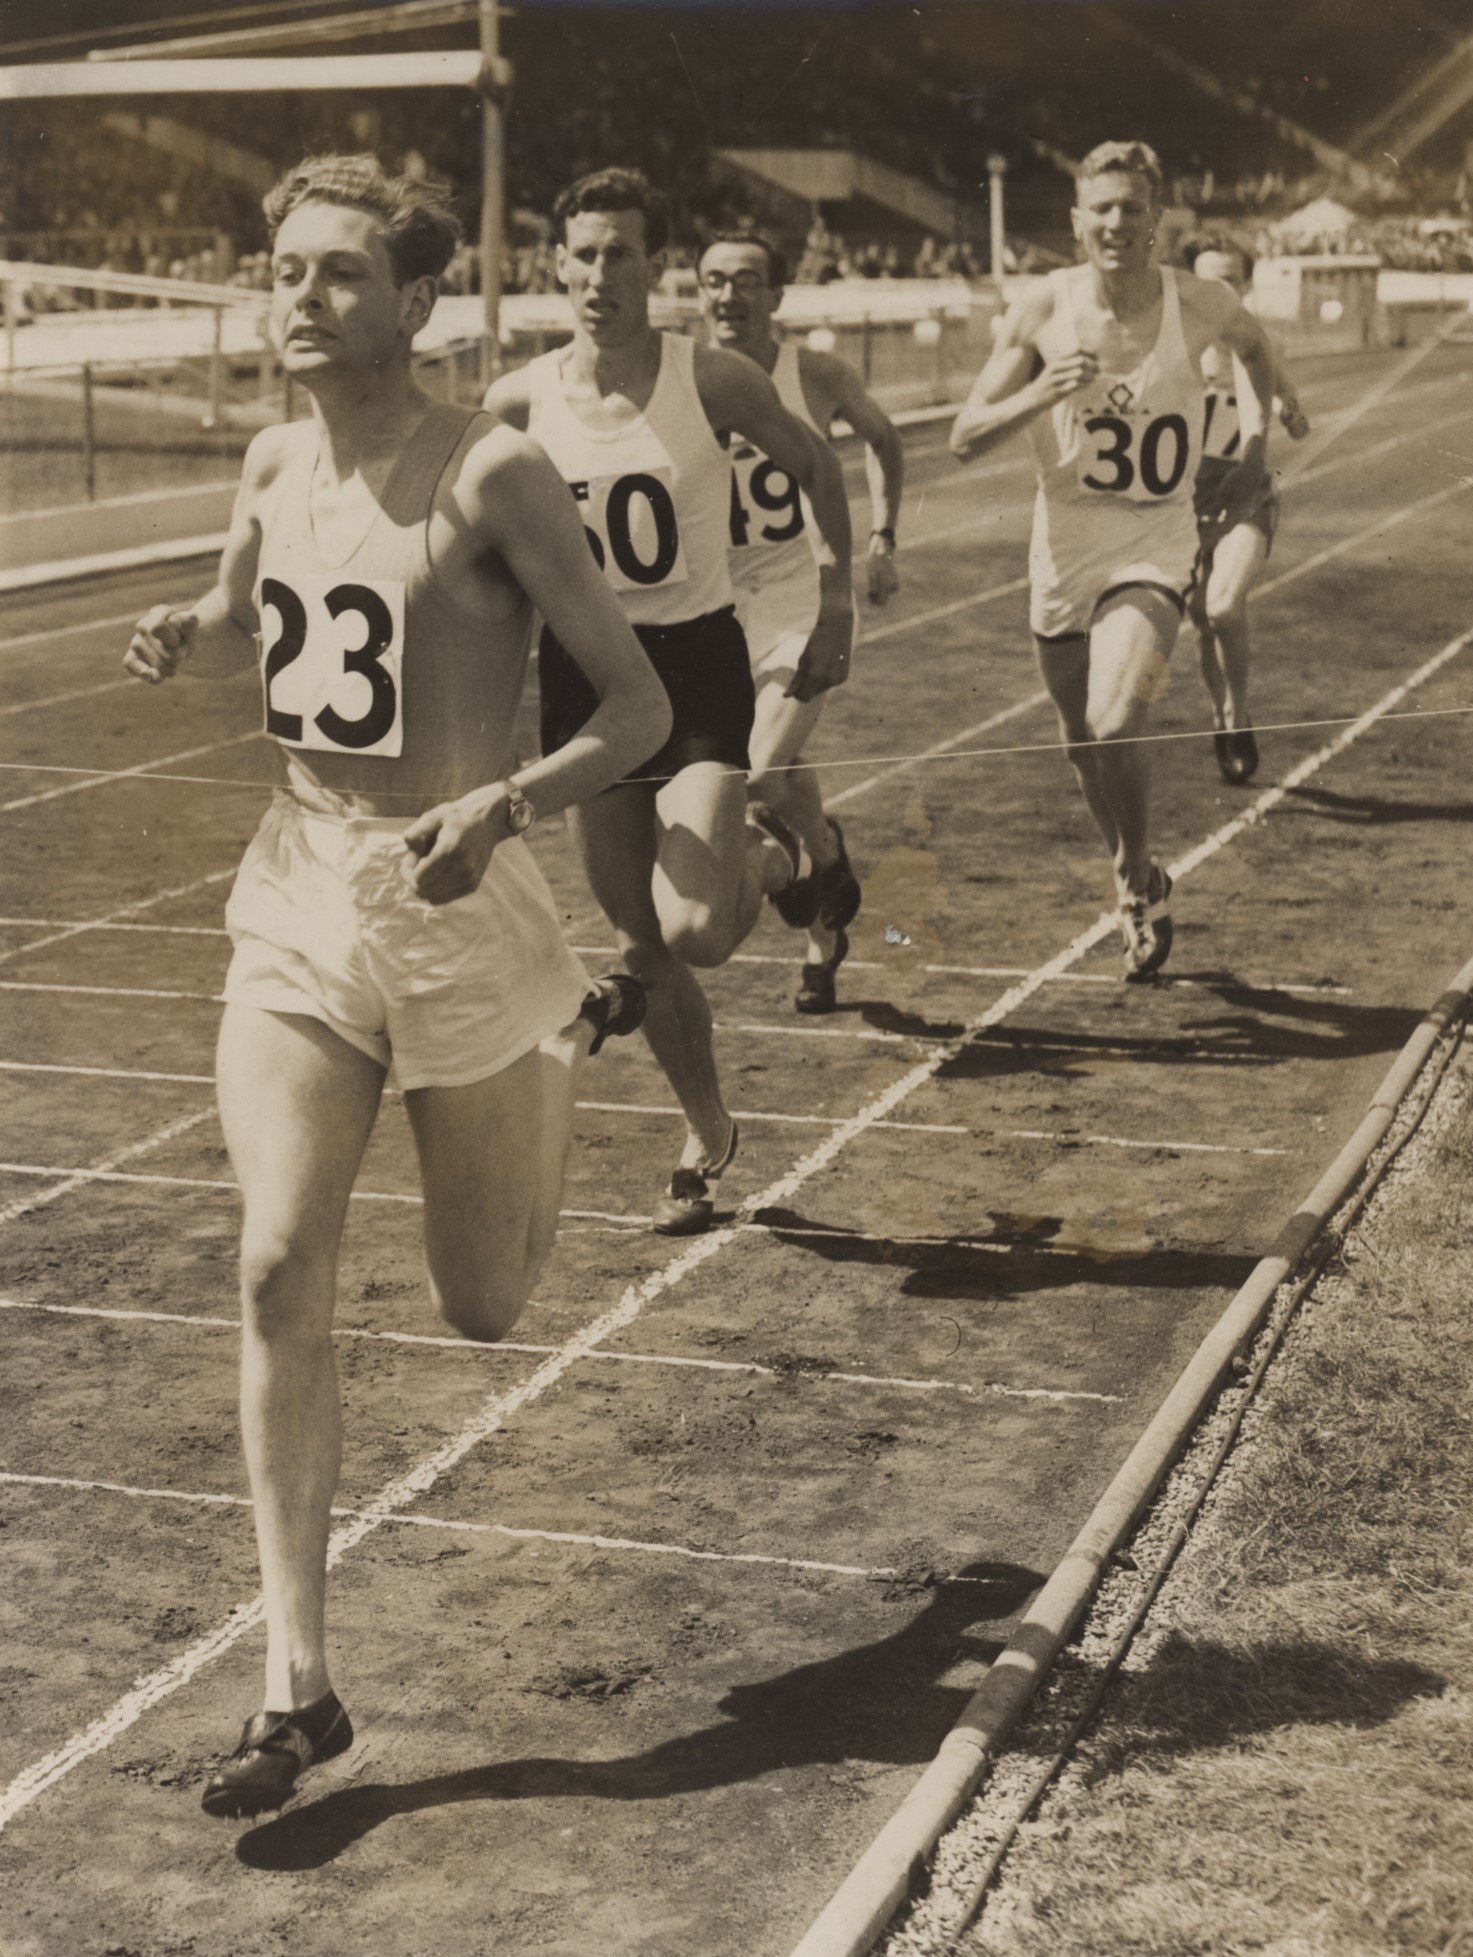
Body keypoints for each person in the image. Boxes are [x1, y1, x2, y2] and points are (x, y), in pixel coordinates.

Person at [123, 154, 671, 1818]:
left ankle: (562, 1034)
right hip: (302, 888)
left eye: (340, 271)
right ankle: (296, 1685)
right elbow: (250, 603)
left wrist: (503, 804)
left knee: (482, 1304)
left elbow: (636, 711)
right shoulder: (272, 453)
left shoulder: (490, 472)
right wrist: (188, 626)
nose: (300, 295)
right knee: (275, 1259)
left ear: (418, 301)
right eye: (285, 267)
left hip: (461, 900)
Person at [484, 168, 854, 1232]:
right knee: (638, 940)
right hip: (587, 679)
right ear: (556, 265)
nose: (601, 274)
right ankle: (708, 1130)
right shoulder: (517, 402)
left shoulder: (714, 378)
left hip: (693, 669)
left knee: (695, 927)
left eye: (622, 254)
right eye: (584, 253)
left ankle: (780, 857)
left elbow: (816, 464)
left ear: (658, 267)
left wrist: (835, 600)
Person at [949, 141, 1275, 980]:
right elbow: (963, 435)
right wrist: (1041, 390)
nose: (1116, 222)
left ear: (1155, 219)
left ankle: (1132, 874)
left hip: (1156, 542)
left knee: (1116, 718)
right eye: (1101, 208)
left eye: (1132, 207)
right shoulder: (1040, 310)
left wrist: (1256, 441)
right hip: (1063, 545)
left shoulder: (1199, 301)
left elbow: (1256, 347)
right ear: (1076, 221)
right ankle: (1137, 871)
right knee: (1078, 742)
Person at [696, 229, 905, 1012]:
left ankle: (800, 867)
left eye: (747, 280)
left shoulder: (812, 374)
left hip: (800, 597)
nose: (728, 295)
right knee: (779, 766)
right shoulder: (680, 377)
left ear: (777, 295)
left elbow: (883, 438)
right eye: (714, 280)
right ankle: (823, 887)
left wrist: (882, 537)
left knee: (755, 771)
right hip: (714, 604)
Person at [1186, 239, 1312, 783]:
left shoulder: (1261, 341)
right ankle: (1220, 716)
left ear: (1245, 284)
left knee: (1223, 606)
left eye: (1230, 280)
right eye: (1208, 280)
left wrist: (1289, 411)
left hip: (1246, 495)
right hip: (1185, 504)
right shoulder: (1175, 343)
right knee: (1200, 618)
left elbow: (1291, 406)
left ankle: (1238, 714)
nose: (1219, 291)